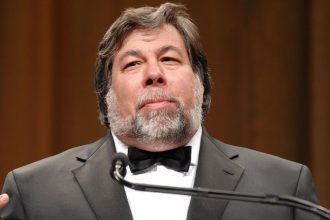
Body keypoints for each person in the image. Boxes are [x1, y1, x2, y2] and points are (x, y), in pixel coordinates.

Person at [0, 3, 320, 220]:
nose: (154, 73)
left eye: (169, 59)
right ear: (106, 94)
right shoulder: (33, 192)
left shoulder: (283, 189)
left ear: (201, 84)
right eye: (133, 63)